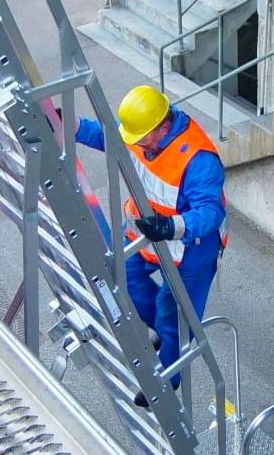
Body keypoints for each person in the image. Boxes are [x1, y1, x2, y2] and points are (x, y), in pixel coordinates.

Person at [74, 85, 228, 408]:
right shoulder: (143, 132)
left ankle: (168, 378)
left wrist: (171, 227)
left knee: (174, 312)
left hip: (191, 246)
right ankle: (164, 333)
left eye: (142, 139)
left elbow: (210, 212)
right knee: (125, 281)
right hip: (145, 231)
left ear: (163, 126)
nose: (137, 145)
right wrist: (69, 125)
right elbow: (109, 137)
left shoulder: (198, 159)